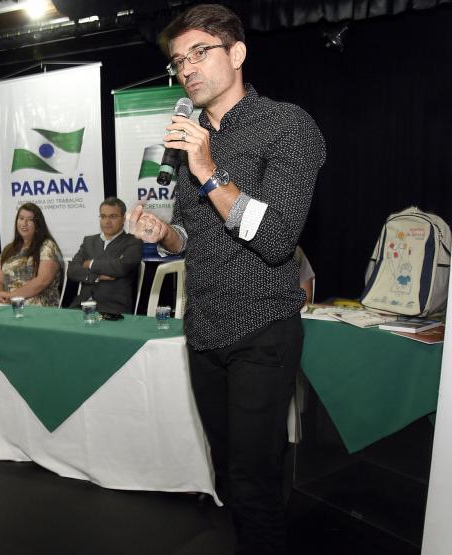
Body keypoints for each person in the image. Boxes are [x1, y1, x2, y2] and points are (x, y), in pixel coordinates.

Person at [130, 5, 325, 554]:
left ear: (237, 54)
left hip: (263, 329)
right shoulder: (189, 141)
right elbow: (199, 240)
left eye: (199, 52)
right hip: (204, 332)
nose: (186, 68)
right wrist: (165, 236)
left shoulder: (286, 126)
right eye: (177, 60)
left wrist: (208, 171)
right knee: (225, 478)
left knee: (253, 484)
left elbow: (276, 237)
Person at [67, 197, 143, 314]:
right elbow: (72, 270)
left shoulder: (133, 242)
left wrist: (90, 264)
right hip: (81, 306)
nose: (107, 221)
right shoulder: (89, 241)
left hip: (112, 309)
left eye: (113, 216)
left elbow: (121, 267)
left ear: (123, 219)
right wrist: (97, 277)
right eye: (103, 216)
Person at [0, 203, 64, 307]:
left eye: (29, 220)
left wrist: (11, 296)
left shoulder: (47, 247)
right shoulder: (8, 249)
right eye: (21, 218)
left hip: (37, 306)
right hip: (6, 303)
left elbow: (42, 281)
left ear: (38, 224)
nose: (24, 223)